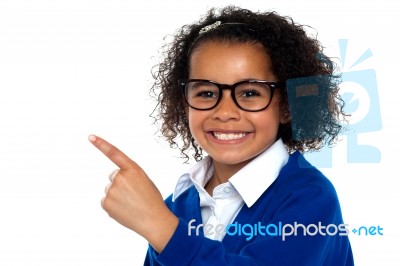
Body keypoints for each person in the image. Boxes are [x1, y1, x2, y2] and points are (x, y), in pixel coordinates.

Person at [89, 6, 354, 265]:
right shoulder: (177, 204)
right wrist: (159, 222)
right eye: (206, 93)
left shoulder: (310, 197)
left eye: (250, 93)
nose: (225, 112)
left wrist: (160, 226)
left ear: (285, 106)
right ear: (184, 103)